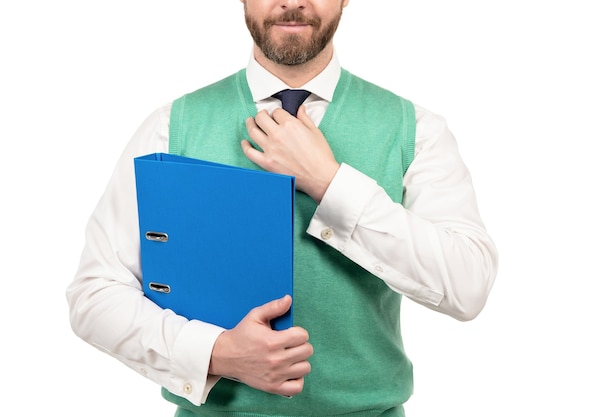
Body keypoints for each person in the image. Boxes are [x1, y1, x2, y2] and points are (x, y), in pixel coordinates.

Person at [66, 1, 498, 416]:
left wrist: (329, 182)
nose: (292, 1)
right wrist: (215, 352)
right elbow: (94, 293)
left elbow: (468, 284)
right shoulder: (168, 127)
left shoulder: (418, 131)